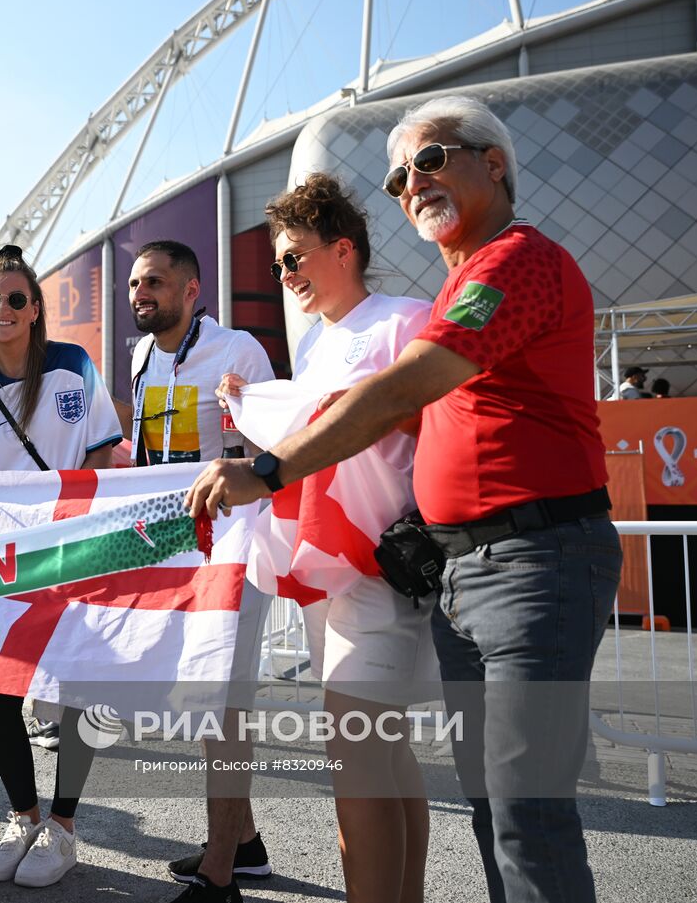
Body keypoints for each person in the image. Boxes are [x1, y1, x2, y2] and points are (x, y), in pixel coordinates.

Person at [189, 95, 621, 903]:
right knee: (492, 801)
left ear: (494, 163)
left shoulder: (509, 264)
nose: (411, 182)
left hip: (529, 556)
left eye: (430, 159)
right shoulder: (449, 287)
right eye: (398, 176)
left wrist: (269, 466)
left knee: (522, 807)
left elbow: (399, 396)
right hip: (461, 567)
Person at [219, 178, 436, 903]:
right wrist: (250, 407)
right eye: (280, 264)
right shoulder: (315, 347)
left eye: (294, 258)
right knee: (383, 752)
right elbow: (309, 441)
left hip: (383, 568)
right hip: (331, 578)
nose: (284, 275)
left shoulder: (404, 321)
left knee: (357, 755)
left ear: (343, 249)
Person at [0, 244, 122, 888]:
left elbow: (100, 456)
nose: (3, 309)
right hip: (3, 561)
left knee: (75, 689)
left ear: (36, 308)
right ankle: (24, 817)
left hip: (74, 549)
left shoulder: (74, 365)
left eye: (16, 298)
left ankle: (63, 827)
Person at [117, 239, 277, 903]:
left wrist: (245, 416)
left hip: (236, 549)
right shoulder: (138, 356)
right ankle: (242, 844)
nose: (138, 294)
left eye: (152, 281)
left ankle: (220, 874)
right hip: (176, 549)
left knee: (223, 703)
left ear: (191, 289)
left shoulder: (239, 350)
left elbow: (274, 454)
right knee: (205, 701)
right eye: (132, 284)